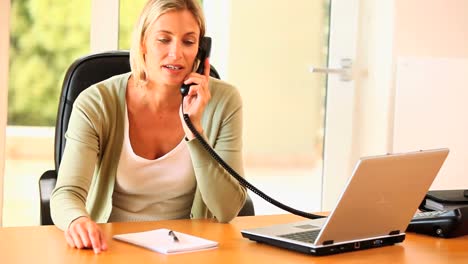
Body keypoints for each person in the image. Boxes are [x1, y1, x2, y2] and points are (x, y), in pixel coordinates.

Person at [50, 0, 247, 254]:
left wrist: (194, 130)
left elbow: (226, 209)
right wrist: (78, 220)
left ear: (202, 49)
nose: (176, 53)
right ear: (142, 42)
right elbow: (67, 192)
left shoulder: (225, 102)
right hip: (110, 248)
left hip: (190, 251)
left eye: (188, 42)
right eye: (163, 39)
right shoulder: (97, 102)